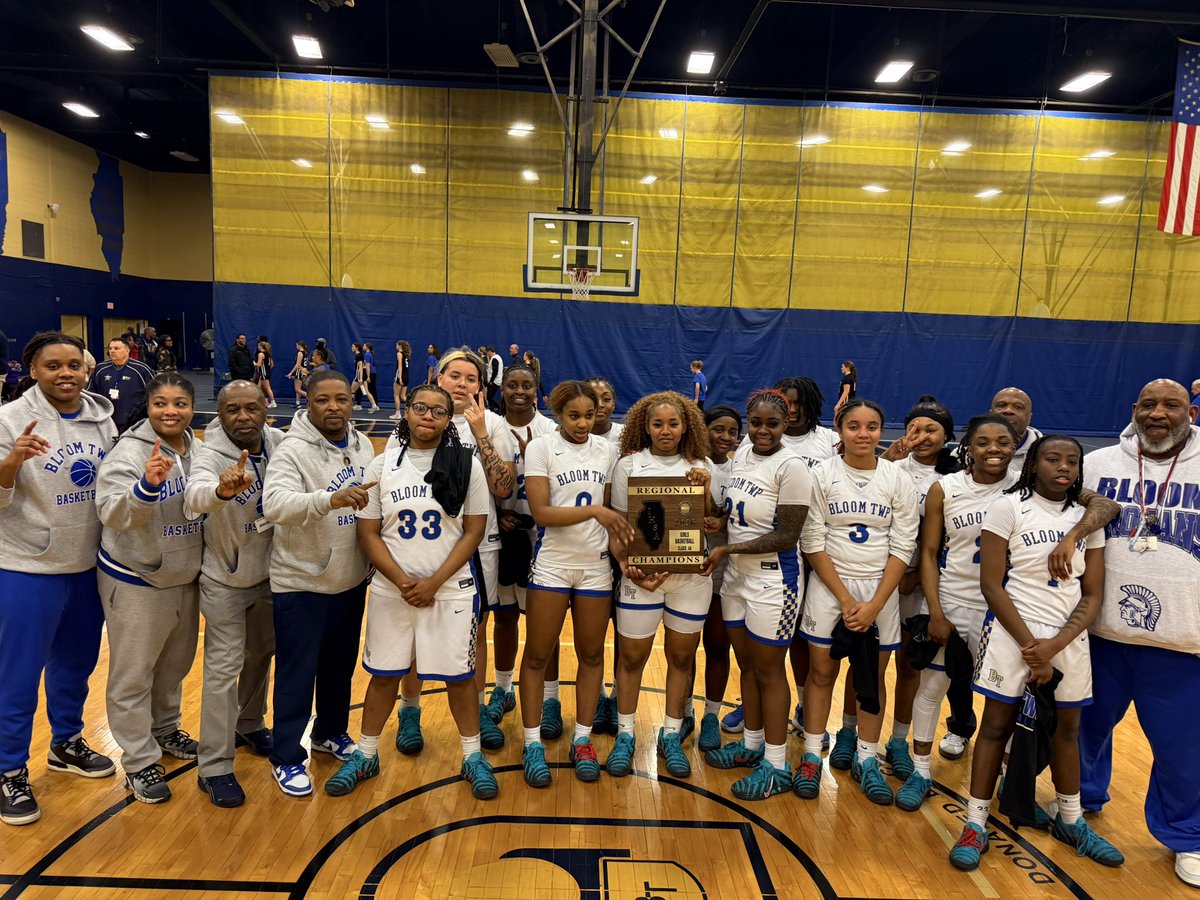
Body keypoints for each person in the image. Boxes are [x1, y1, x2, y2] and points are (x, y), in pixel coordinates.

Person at [949, 434, 1123, 871]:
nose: (1063, 467)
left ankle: (1070, 819)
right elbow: (991, 585)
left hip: (1067, 639)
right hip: (1013, 634)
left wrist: (1055, 646)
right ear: (1033, 465)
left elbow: (1092, 593)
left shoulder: (1087, 519)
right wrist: (1034, 648)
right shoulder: (1009, 507)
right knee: (995, 727)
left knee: (1067, 730)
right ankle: (974, 822)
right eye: (1052, 459)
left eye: (1072, 461)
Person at [326, 384, 498, 800]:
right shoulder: (382, 465)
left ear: (448, 420)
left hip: (450, 589)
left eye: (438, 411)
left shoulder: (467, 464)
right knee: (385, 674)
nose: (428, 416)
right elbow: (368, 533)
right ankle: (367, 754)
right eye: (421, 407)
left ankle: (473, 756)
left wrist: (434, 582)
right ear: (407, 411)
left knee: (460, 679)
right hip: (393, 590)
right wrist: (403, 581)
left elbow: (474, 531)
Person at [1080, 379, 1200, 888]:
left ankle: (1188, 835)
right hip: (1100, 633)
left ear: (1190, 412)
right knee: (1084, 728)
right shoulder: (1097, 464)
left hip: (1183, 642)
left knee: (1183, 751)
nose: (1158, 413)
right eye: (1148, 404)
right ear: (1134, 410)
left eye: (1171, 405)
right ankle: (1078, 799)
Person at [0, 333, 117, 827]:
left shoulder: (103, 418)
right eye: (53, 365)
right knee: (18, 675)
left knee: (75, 665)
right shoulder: (9, 419)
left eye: (74, 364)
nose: (66, 373)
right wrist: (11, 463)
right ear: (33, 370)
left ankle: (66, 743)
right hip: (27, 567)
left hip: (88, 565)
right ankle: (8, 769)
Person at [389, 349, 516, 759]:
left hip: (477, 544)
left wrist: (480, 433)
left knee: (474, 631)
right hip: (419, 545)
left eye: (471, 378)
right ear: (438, 379)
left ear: (481, 386)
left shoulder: (493, 423)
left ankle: (476, 712)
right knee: (412, 629)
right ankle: (410, 711)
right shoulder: (411, 423)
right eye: (454, 376)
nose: (462, 384)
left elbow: (504, 488)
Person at [794, 399, 919, 806]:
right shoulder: (821, 474)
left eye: (871, 426)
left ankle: (867, 758)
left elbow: (903, 545)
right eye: (853, 426)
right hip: (830, 588)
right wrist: (847, 600)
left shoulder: (897, 478)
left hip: (880, 590)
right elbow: (812, 541)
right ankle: (811, 756)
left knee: (872, 676)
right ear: (839, 429)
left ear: (881, 430)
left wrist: (875, 603)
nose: (863, 434)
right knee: (821, 674)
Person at [261, 370, 377, 797]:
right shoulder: (292, 450)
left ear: (351, 402)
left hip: (349, 579)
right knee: (297, 674)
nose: (333, 407)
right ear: (308, 403)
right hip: (302, 582)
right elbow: (274, 504)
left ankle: (330, 732)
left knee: (338, 668)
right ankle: (287, 756)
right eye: (323, 400)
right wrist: (329, 500)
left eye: (341, 399)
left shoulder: (363, 444)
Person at [95, 372, 203, 804]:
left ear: (192, 408)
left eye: (180, 403)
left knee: (174, 666)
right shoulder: (129, 451)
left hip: (184, 575)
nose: (170, 411)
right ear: (149, 406)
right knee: (133, 674)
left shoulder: (198, 448)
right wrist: (146, 488)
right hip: (136, 576)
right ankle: (139, 759)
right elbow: (111, 512)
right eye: (161, 403)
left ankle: (165, 729)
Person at [518, 381, 631, 786]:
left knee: (592, 655)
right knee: (537, 656)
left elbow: (612, 516)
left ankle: (582, 739)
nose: (583, 423)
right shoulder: (541, 447)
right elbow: (542, 513)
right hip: (552, 564)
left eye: (590, 414)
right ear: (558, 413)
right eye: (574, 416)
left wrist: (623, 557)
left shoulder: (607, 450)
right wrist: (594, 512)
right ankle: (532, 742)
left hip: (595, 567)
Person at [701, 389, 810, 800]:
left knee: (769, 670)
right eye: (758, 423)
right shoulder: (743, 454)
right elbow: (733, 512)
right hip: (736, 579)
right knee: (747, 664)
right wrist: (717, 516)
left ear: (786, 424)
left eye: (773, 424)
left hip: (773, 582)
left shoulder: (792, 467)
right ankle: (751, 744)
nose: (764, 431)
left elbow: (786, 535)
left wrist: (728, 548)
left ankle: (777, 765)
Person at [184, 380, 283, 808]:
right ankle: (214, 766)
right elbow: (195, 495)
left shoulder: (279, 443)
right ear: (219, 414)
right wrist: (220, 492)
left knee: (262, 654)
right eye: (232, 410)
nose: (243, 417)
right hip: (225, 579)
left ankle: (250, 723)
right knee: (223, 670)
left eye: (251, 408)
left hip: (270, 575)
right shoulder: (209, 454)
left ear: (265, 408)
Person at [608, 392, 714, 780]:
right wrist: (627, 564)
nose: (665, 431)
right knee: (632, 658)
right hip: (643, 579)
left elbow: (712, 521)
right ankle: (625, 734)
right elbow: (619, 525)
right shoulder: (629, 465)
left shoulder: (701, 465)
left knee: (681, 658)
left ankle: (671, 734)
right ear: (646, 427)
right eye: (658, 424)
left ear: (686, 427)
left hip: (690, 580)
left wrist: (705, 489)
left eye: (673, 423)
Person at [875, 399, 961, 783]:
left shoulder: (957, 476)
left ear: (947, 436)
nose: (922, 436)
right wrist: (888, 458)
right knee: (872, 662)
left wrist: (917, 578)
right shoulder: (891, 467)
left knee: (910, 665)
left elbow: (945, 539)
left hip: (923, 583)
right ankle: (854, 735)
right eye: (915, 428)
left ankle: (898, 740)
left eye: (931, 430)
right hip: (881, 576)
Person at [491, 363, 556, 736]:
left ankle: (550, 698)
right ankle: (502, 689)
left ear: (536, 390)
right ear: (502, 389)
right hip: (503, 534)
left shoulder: (551, 431)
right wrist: (496, 513)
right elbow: (478, 480)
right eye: (512, 384)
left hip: (543, 538)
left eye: (526, 385)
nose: (519, 391)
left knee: (543, 625)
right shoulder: (491, 429)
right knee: (504, 618)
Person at [698, 405, 742, 752]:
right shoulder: (690, 464)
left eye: (732, 432)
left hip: (724, 567)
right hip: (688, 565)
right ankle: (681, 712)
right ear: (704, 429)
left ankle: (711, 716)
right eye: (718, 429)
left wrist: (723, 521)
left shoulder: (742, 469)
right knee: (682, 650)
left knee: (717, 645)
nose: (725, 437)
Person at [88, 337, 153, 431]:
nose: (112, 351)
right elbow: (91, 393)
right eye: (110, 348)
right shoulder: (100, 368)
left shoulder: (141, 369)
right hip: (106, 420)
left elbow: (154, 393)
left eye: (116, 348)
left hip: (134, 422)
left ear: (127, 351)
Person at [990, 387, 1042, 475]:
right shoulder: (969, 451)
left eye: (1018, 407)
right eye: (1001, 405)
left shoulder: (1044, 454)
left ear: (1029, 418)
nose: (1008, 410)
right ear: (990, 414)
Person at [586, 376, 623, 446]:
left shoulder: (627, 434)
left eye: (606, 399)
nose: (600, 405)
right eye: (593, 399)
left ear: (613, 404)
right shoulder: (570, 435)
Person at [350, 343, 378, 413]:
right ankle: (374, 405)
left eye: (353, 346)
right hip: (362, 376)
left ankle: (350, 406)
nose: (352, 347)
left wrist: (360, 378)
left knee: (352, 391)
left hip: (359, 376)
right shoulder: (360, 356)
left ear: (357, 348)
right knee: (366, 391)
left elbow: (361, 368)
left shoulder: (359, 356)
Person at [391, 340, 411, 420]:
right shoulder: (406, 354)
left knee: (396, 395)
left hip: (401, 376)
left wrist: (399, 378)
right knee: (403, 396)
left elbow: (400, 366)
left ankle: (398, 413)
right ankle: (412, 407)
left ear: (400, 346)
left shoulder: (399, 354)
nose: (396, 346)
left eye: (397, 345)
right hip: (406, 376)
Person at [255, 339, 277, 409]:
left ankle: (273, 402)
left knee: (267, 388)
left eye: (258, 346)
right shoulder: (268, 354)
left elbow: (258, 364)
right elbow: (272, 365)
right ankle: (261, 401)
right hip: (267, 373)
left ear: (261, 346)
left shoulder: (261, 354)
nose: (258, 347)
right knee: (258, 388)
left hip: (264, 373)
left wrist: (253, 363)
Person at [286, 341, 309, 409]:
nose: (296, 347)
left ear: (299, 345)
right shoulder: (305, 353)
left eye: (296, 345)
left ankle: (310, 397)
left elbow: (298, 365)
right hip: (304, 371)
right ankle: (297, 403)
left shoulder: (300, 353)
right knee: (298, 389)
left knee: (297, 389)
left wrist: (291, 373)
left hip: (299, 372)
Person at [484, 347, 503, 411]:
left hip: (494, 381)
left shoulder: (494, 358)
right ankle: (493, 408)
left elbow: (495, 371)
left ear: (489, 351)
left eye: (487, 353)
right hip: (496, 381)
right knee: (489, 397)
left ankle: (498, 408)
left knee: (489, 397)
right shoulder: (498, 357)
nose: (487, 354)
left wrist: (491, 381)